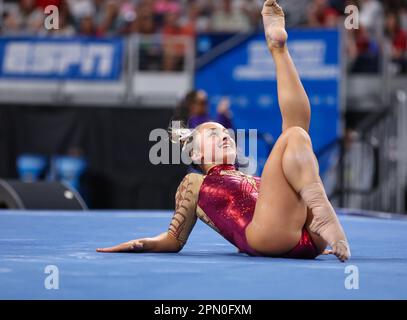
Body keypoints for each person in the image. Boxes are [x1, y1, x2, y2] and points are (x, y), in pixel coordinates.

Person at [97, 0, 351, 262]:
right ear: (195, 155)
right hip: (266, 236)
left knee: (297, 132)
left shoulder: (253, 179)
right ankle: (323, 211)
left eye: (225, 133)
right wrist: (141, 244)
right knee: (294, 135)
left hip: (306, 236)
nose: (224, 135)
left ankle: (278, 49)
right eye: (213, 133)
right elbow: (174, 239)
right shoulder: (195, 182)